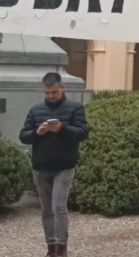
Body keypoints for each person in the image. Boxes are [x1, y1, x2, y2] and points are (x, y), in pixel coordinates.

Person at [19, 72, 89, 257]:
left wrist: (62, 129)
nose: (51, 96)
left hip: (64, 165)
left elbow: (83, 133)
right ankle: (51, 247)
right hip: (41, 165)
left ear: (62, 88)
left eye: (54, 92)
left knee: (59, 206)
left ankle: (61, 247)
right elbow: (24, 136)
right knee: (46, 209)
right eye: (48, 93)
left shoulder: (74, 108)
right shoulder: (36, 110)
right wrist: (37, 132)